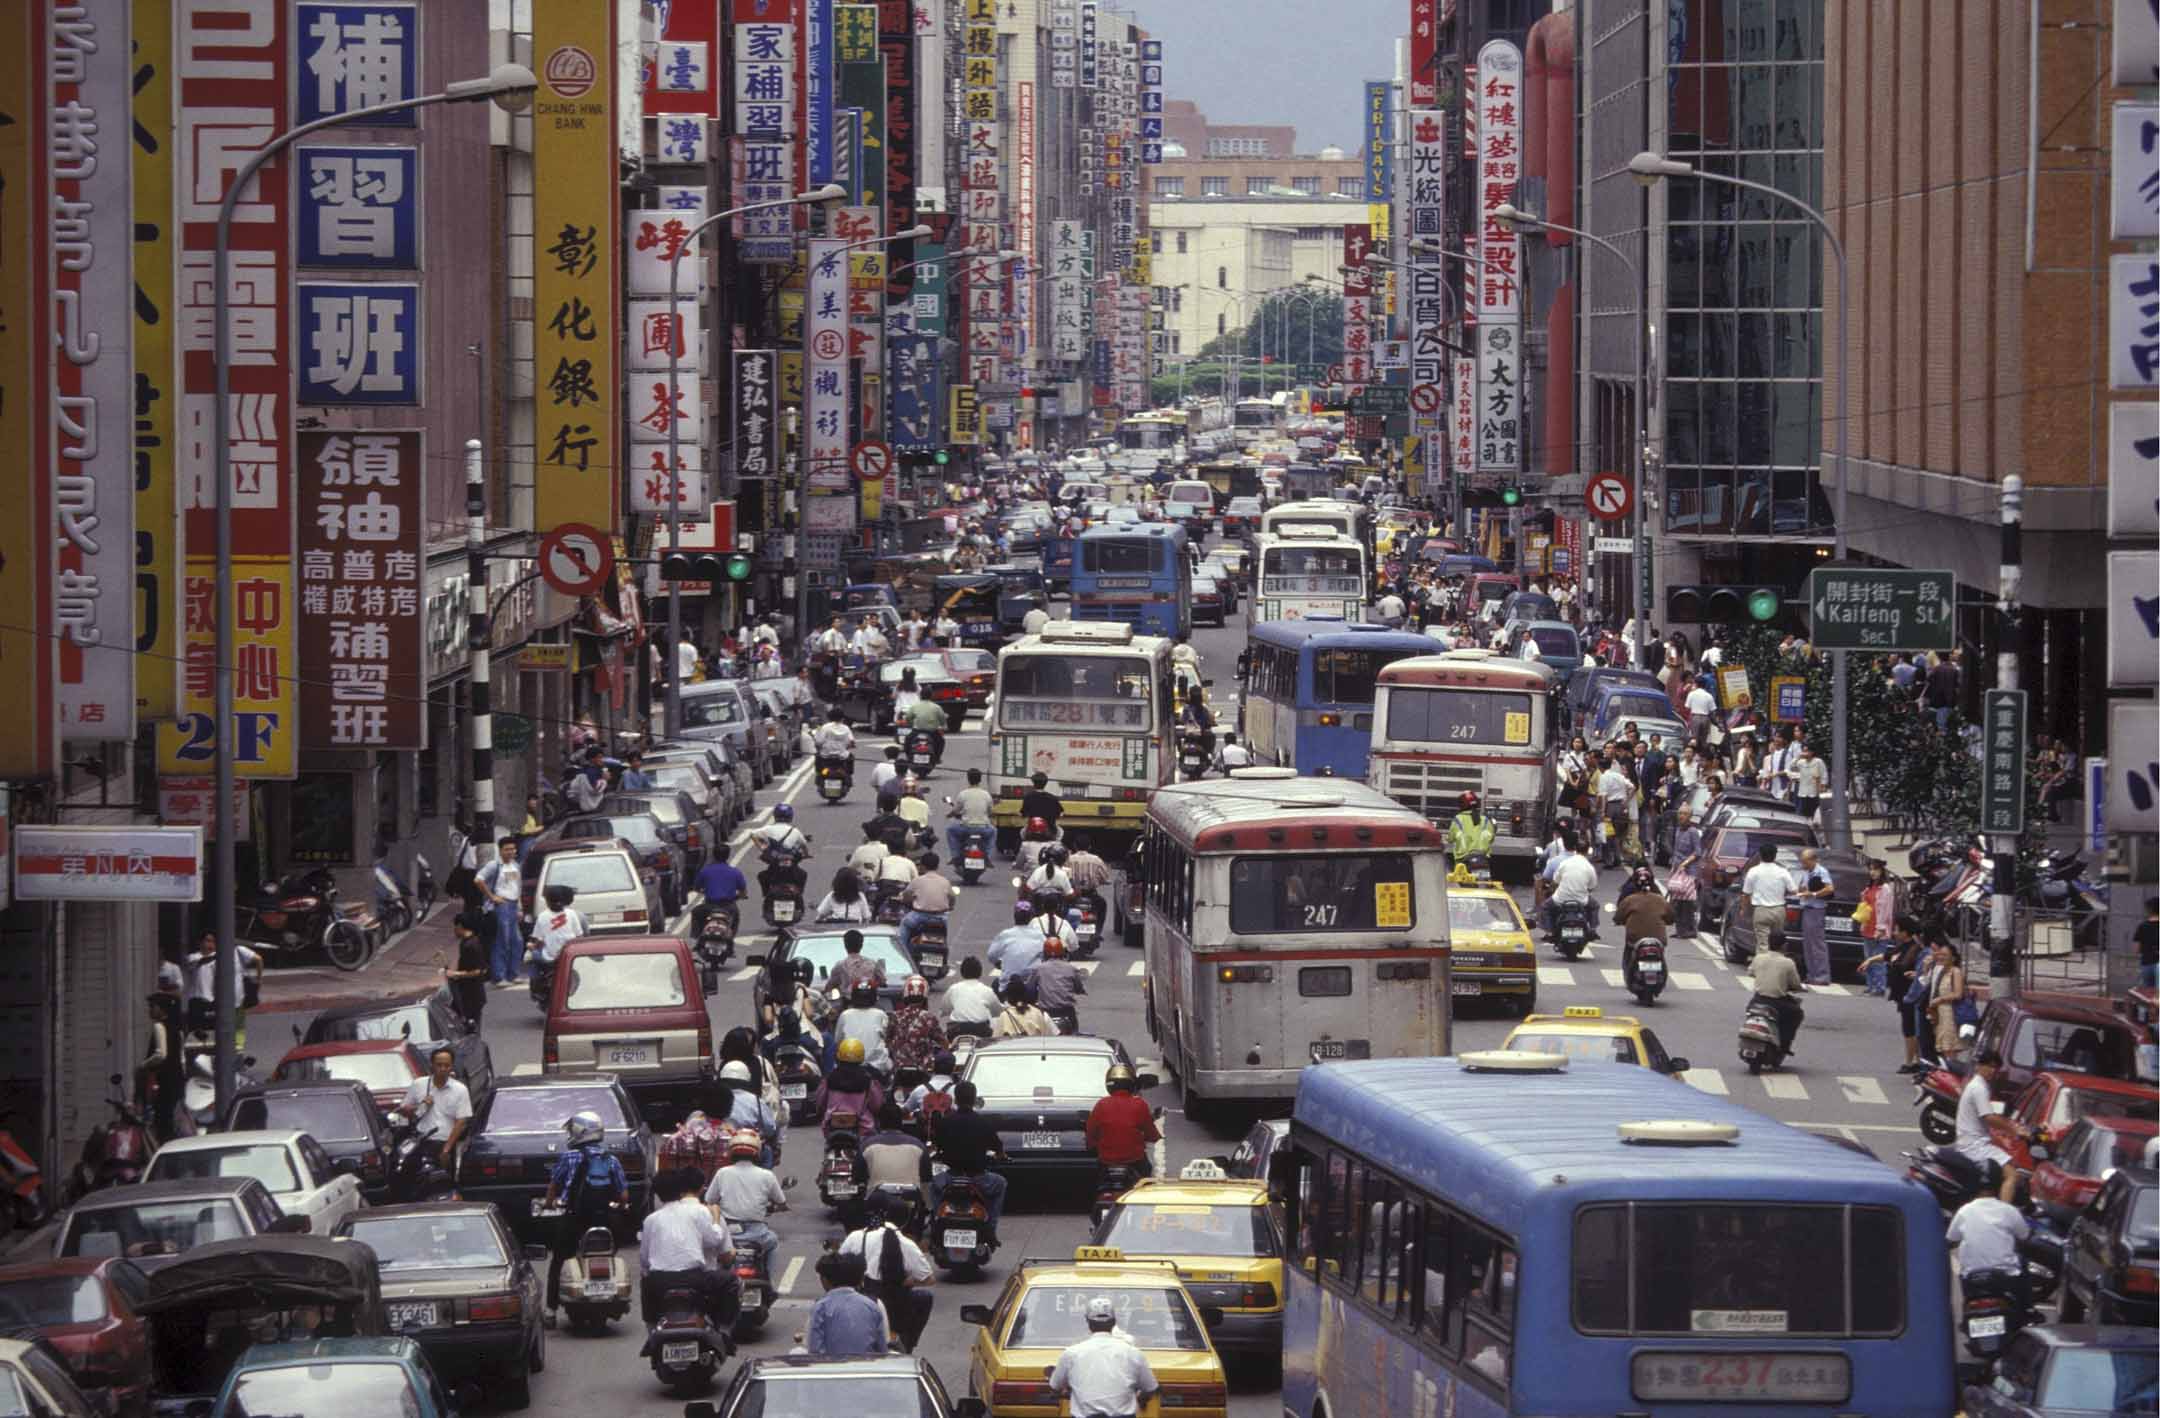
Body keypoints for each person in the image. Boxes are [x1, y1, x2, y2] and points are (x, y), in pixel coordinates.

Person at [539, 1107, 630, 1319]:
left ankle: (551, 1310)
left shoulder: (569, 1157)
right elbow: (624, 1196)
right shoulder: (611, 1159)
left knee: (559, 1260)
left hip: (574, 1218)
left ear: (580, 1132)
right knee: (609, 1252)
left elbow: (554, 1186)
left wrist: (549, 1204)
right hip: (604, 1220)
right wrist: (617, 1204)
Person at [636, 1165, 737, 1331]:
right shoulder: (699, 1212)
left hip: (659, 1281)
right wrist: (717, 1219)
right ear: (680, 1189)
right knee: (732, 1281)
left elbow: (645, 1261)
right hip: (693, 1278)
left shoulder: (651, 1220)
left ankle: (652, 1333)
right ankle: (725, 1330)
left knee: (646, 1285)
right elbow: (714, 1241)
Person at [839, 1190, 937, 1353]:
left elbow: (839, 1267)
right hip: (894, 1307)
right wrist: (908, 1281)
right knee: (925, 1297)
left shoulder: (855, 1237)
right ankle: (907, 1344)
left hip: (856, 1300)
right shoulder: (906, 1243)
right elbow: (929, 1279)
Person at [1049, 1295, 1160, 1418]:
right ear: (1113, 1322)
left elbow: (1055, 1386)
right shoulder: (1133, 1353)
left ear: (1088, 1322)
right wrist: (1140, 1399)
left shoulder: (1071, 1353)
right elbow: (1151, 1388)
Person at [1946, 1164, 2031, 1308]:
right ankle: (2028, 1308)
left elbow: (1951, 1239)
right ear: (1999, 1184)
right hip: (2006, 1277)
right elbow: (2024, 1235)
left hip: (1972, 1278)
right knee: (2023, 1263)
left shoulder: (1964, 1211)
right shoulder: (2008, 1210)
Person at [927, 1079, 1010, 1226]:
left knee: (933, 1186)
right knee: (1001, 1183)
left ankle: (936, 1222)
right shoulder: (983, 1123)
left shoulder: (945, 1122)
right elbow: (998, 1147)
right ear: (974, 1100)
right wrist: (1001, 1156)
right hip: (979, 1179)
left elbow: (936, 1146)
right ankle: (990, 1225)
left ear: (956, 1100)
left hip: (950, 1178)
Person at [395, 1046, 474, 1171]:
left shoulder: (460, 1090)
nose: (442, 1069)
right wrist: (420, 1105)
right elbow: (403, 1111)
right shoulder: (418, 1084)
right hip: (421, 1142)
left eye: (446, 1065)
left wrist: (446, 1150)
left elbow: (461, 1122)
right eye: (439, 1065)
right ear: (432, 1065)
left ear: (451, 1066)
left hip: (445, 1143)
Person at [184, 928, 264, 1046]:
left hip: (231, 1000)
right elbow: (199, 962)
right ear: (200, 942)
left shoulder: (230, 953)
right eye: (208, 941)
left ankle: (237, 1049)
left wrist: (259, 979)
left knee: (237, 1028)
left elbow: (258, 959)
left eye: (213, 941)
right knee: (200, 1032)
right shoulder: (194, 957)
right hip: (199, 1001)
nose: (210, 944)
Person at [803, 1251, 888, 1357]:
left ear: (825, 1280)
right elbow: (882, 1349)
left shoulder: (820, 1308)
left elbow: (814, 1350)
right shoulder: (872, 1306)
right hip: (866, 1368)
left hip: (833, 1370)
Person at [1086, 1063, 1159, 1178]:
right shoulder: (1139, 1104)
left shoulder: (1101, 1104)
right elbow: (1151, 1134)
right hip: (1134, 1161)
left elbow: (1091, 1134)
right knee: (1147, 1181)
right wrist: (1152, 1137)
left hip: (1106, 1161)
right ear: (1131, 1085)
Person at [1746, 929, 1806, 1056]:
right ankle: (1785, 1044)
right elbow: (1795, 984)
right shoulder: (1788, 962)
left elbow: (1750, 972)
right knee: (1797, 1013)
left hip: (1757, 1000)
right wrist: (1799, 988)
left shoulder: (1759, 957)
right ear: (1784, 945)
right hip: (1777, 1003)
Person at [1952, 1049, 2014, 1172]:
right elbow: (1989, 1118)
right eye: (1990, 1066)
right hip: (1975, 1146)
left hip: (1971, 1142)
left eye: (1995, 1068)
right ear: (1979, 1066)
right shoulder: (1979, 1088)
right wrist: (2013, 1130)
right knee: (2012, 1175)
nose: (1993, 1071)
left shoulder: (1980, 1085)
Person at [478, 837, 524, 986]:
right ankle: (499, 977)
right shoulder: (494, 865)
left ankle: (513, 974)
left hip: (513, 905)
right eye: (507, 849)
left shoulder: (515, 866)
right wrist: (492, 897)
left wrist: (519, 907)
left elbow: (516, 887)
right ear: (500, 850)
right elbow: (478, 880)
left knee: (516, 941)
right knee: (502, 940)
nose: (511, 852)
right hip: (501, 906)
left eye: (513, 849)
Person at [141, 989, 185, 1143]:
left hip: (164, 1080)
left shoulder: (159, 1026)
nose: (150, 1010)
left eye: (153, 1006)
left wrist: (143, 1065)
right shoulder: (177, 1028)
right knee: (172, 1116)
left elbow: (161, 1054)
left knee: (162, 1117)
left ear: (161, 1009)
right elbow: (181, 1056)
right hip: (177, 1078)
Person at [1737, 842, 1794, 960]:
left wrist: (1743, 909)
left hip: (1761, 911)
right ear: (1775, 856)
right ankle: (1777, 966)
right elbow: (1793, 890)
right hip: (1779, 911)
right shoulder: (1783, 871)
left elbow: (1746, 894)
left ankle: (1761, 969)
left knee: (1762, 943)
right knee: (1777, 941)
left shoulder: (1753, 871)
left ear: (1761, 855)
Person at [1613, 868, 1673, 981]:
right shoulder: (1660, 899)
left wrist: (1620, 921)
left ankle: (1628, 975)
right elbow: (1671, 917)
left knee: (1628, 952)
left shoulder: (1629, 899)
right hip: (1658, 940)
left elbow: (1618, 917)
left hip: (1634, 939)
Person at [887, 974, 947, 1077]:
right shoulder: (929, 1017)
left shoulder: (895, 1016)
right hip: (923, 1071)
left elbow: (886, 1042)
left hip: (898, 1070)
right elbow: (943, 1043)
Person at [1792, 847, 1836, 986]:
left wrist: (1813, 894)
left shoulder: (1821, 871)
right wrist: (1802, 891)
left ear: (1813, 860)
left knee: (1817, 944)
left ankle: (1822, 975)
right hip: (1807, 908)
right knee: (1808, 944)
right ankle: (1812, 974)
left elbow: (1829, 889)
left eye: (1805, 862)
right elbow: (1803, 887)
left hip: (1816, 909)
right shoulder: (1806, 872)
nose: (1803, 865)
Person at [1542, 830, 1599, 933]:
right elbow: (1592, 887)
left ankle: (1549, 931)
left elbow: (1555, 882)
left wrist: (1550, 889)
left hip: (1560, 899)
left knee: (1545, 907)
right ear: (1587, 851)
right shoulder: (1589, 867)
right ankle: (1593, 929)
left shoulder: (1565, 863)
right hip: (1582, 900)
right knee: (1595, 906)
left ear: (1576, 849)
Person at [1857, 859, 1899, 996]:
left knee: (1877, 959)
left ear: (1881, 871)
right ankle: (1871, 986)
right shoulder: (1869, 888)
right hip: (1868, 926)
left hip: (1879, 929)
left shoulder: (1886, 889)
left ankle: (1880, 987)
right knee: (1868, 958)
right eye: (1871, 869)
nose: (1872, 872)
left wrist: (1880, 928)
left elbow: (1886, 911)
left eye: (1875, 869)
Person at [833, 980, 893, 1076]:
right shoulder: (880, 1014)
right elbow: (887, 1039)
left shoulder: (845, 1014)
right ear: (874, 997)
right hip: (876, 1067)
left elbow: (837, 1042)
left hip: (849, 1065)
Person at [751, 803, 811, 899]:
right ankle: (799, 894)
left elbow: (753, 834)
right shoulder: (795, 831)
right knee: (803, 874)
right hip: (791, 869)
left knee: (762, 875)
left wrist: (762, 848)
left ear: (775, 816)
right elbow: (804, 845)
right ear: (790, 817)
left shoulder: (769, 829)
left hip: (774, 865)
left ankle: (765, 894)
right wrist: (806, 855)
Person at [690, 846, 750, 939]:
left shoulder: (705, 871)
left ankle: (697, 936)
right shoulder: (735, 872)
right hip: (728, 907)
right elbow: (743, 892)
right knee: (736, 917)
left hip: (709, 906)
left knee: (695, 912)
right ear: (728, 855)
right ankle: (731, 938)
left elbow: (696, 888)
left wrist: (706, 891)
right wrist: (737, 896)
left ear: (714, 855)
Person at [899, 854, 955, 952]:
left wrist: (907, 901)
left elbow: (906, 896)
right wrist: (950, 907)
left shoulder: (917, 881)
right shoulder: (945, 881)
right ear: (937, 866)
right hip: (940, 918)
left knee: (904, 924)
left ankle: (902, 953)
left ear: (922, 866)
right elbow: (952, 898)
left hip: (919, 916)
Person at [986, 898, 1050, 982]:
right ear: (1031, 917)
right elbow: (1047, 957)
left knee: (995, 984)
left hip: (1008, 984)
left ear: (1014, 916)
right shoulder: (1040, 936)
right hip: (1032, 984)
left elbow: (991, 955)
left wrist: (1000, 964)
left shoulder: (1005, 935)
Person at [1031, 938, 1087, 1033]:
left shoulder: (1039, 969)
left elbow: (1030, 989)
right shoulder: (1070, 968)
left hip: (1046, 1012)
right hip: (1067, 1011)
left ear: (1045, 953)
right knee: (1074, 1034)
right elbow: (1078, 987)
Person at [1929, 939, 1971, 1064]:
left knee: (1949, 1048)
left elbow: (1958, 994)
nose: (1941, 957)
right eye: (1940, 954)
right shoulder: (1942, 971)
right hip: (1942, 1014)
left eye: (1945, 955)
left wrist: (1940, 999)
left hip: (1951, 1015)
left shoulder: (1956, 972)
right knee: (1944, 1048)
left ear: (1953, 958)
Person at [1666, 805, 1703, 937]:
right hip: (1677, 870)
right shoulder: (1678, 830)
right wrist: (1674, 868)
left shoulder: (1693, 832)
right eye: (1680, 813)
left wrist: (1685, 863)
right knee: (1677, 901)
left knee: (1687, 903)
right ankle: (1680, 930)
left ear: (1690, 816)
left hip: (1689, 871)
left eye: (1685, 814)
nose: (1681, 816)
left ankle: (1690, 930)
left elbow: (1697, 852)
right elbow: (1676, 851)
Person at [942, 957, 1001, 1040]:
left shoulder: (953, 989)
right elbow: (997, 1012)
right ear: (980, 972)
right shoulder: (987, 990)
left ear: (962, 972)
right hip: (981, 1031)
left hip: (956, 1031)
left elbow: (944, 1010)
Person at [944, 768, 997, 862]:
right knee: (993, 832)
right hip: (983, 828)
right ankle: (987, 856)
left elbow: (956, 810)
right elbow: (991, 812)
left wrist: (949, 815)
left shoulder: (963, 794)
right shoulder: (986, 795)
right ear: (980, 780)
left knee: (950, 830)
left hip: (966, 827)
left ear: (968, 779)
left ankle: (955, 856)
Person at [826, 928, 888, 999]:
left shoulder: (840, 966)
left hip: (849, 1002)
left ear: (845, 945)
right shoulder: (873, 963)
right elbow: (883, 982)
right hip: (871, 1001)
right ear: (861, 945)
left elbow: (829, 986)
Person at [903, 691, 949, 767]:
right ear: (931, 696)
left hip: (917, 731)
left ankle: (908, 757)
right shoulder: (936, 707)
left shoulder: (915, 706)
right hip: (932, 732)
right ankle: (937, 758)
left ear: (921, 696)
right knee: (941, 742)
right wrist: (944, 727)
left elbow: (908, 718)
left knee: (907, 741)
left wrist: (910, 723)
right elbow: (943, 721)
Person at [1447, 791, 1495, 862]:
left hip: (1463, 858)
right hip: (1482, 857)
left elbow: (1450, 838)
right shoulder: (1485, 820)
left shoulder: (1458, 819)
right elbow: (1491, 838)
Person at [1792, 741, 1829, 821]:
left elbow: (1824, 774)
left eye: (1806, 751)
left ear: (1812, 752)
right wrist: (1798, 757)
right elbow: (1792, 766)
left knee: (1814, 812)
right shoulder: (1801, 762)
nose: (1805, 753)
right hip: (1803, 792)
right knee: (1802, 813)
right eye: (1803, 751)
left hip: (1814, 791)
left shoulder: (1818, 761)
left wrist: (1823, 786)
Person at [1019, 772, 1064, 836]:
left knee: (1022, 831)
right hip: (1050, 830)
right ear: (1045, 783)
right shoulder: (1052, 798)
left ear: (1033, 783)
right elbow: (1061, 813)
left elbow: (1023, 814)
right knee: (1060, 831)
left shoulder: (1028, 797)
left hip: (1032, 830)